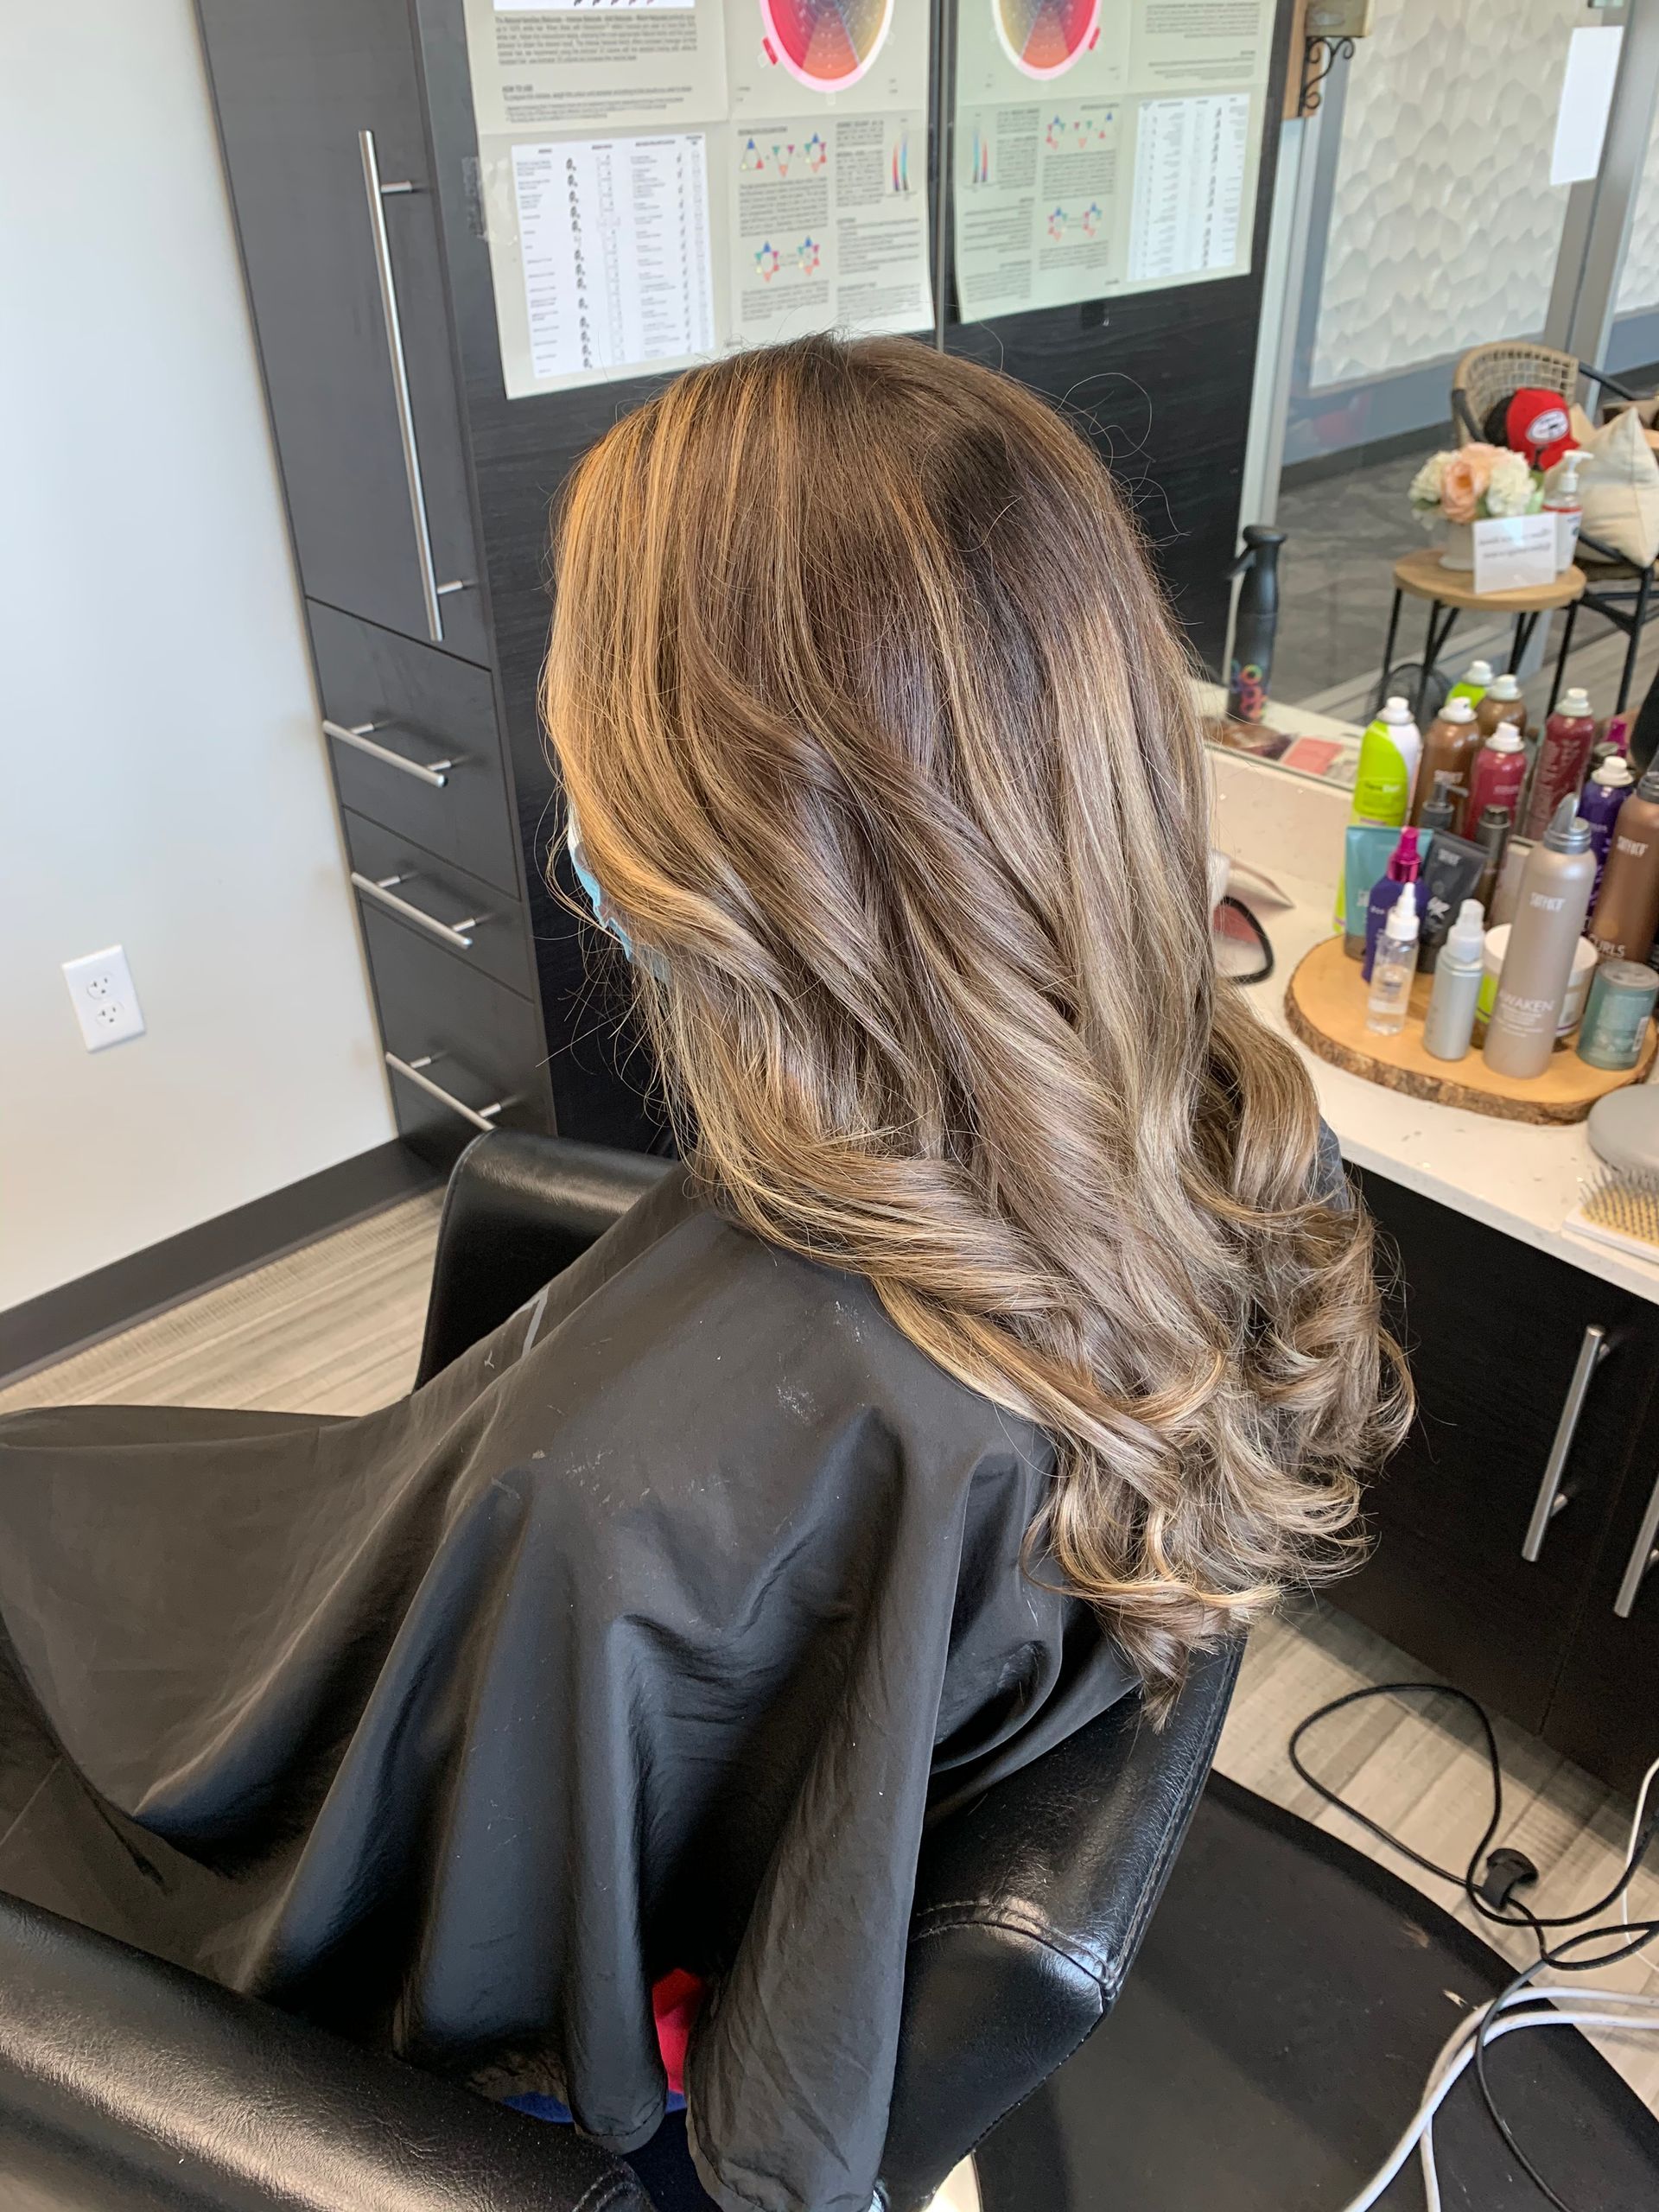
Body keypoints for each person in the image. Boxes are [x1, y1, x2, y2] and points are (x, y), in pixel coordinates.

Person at [0, 336, 1404, 2212]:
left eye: (593, 705)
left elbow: (466, 1953)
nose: (575, 770)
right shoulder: (1205, 1124)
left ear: (746, 842)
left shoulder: (641, 1505)